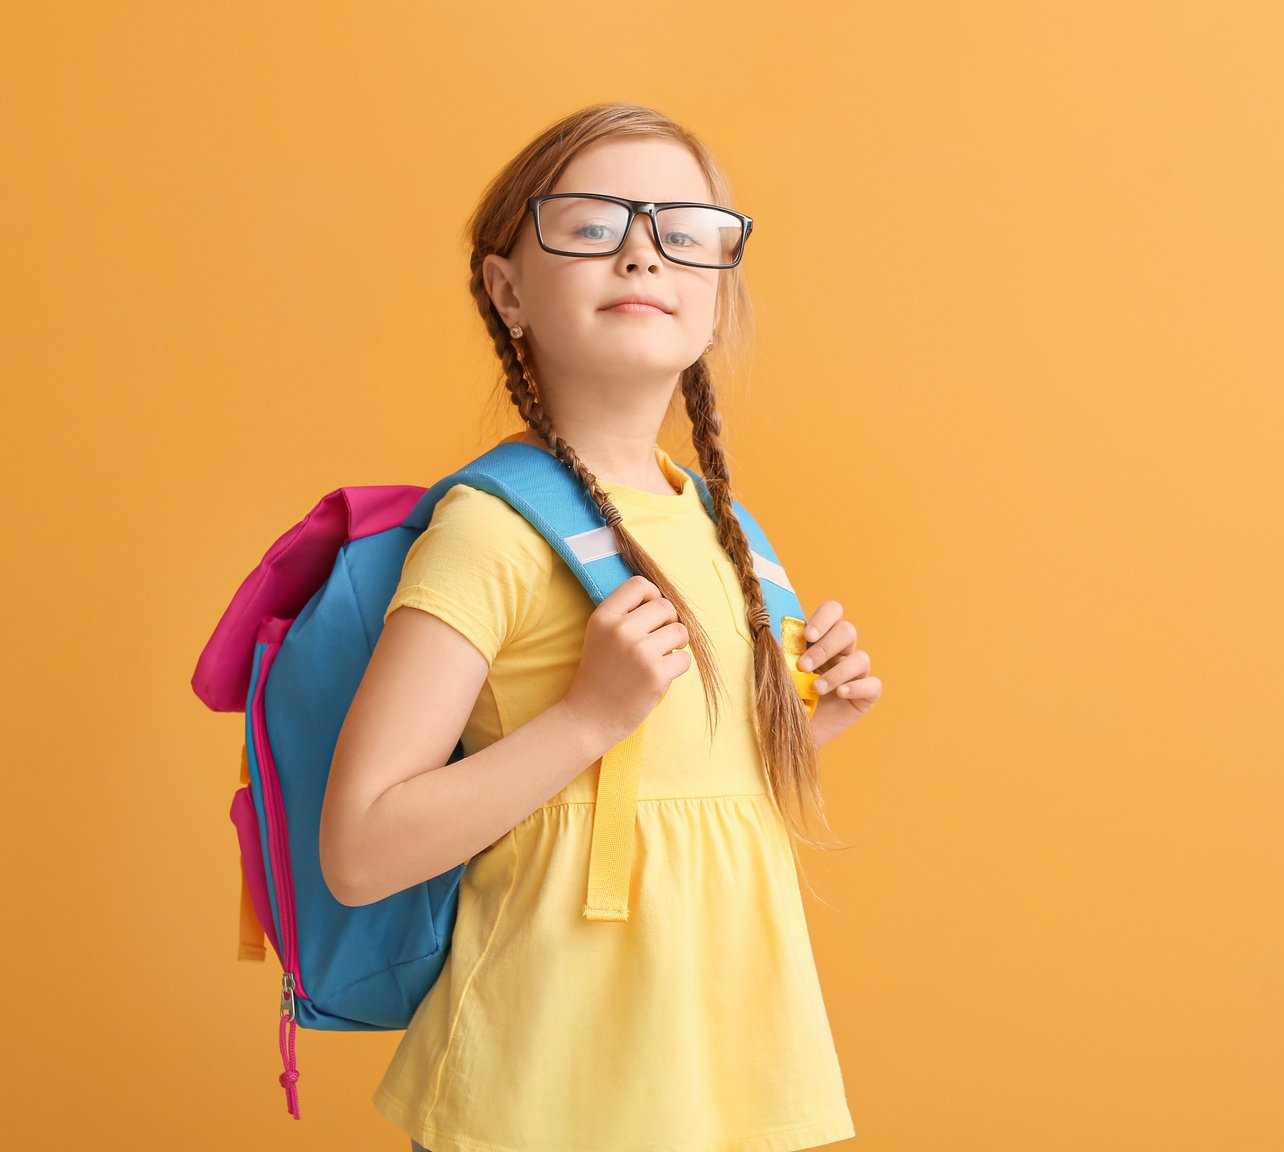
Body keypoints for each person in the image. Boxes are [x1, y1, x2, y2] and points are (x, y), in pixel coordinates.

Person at [319, 101, 883, 1152]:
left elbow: (676, 799)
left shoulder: (723, 530)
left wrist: (805, 730)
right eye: (590, 225)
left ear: (718, 295)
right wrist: (588, 716)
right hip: (547, 1086)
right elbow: (359, 849)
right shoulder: (489, 531)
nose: (640, 254)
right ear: (508, 290)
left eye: (683, 230)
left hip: (717, 1072)